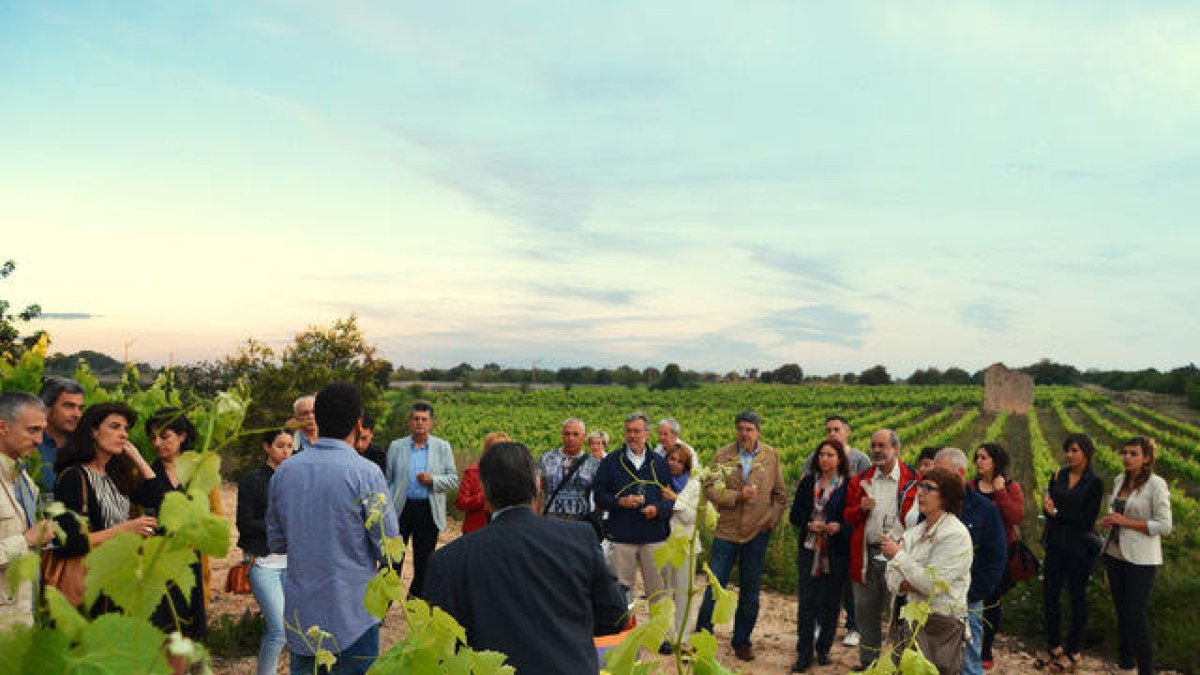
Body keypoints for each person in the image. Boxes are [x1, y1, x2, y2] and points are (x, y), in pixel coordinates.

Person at [424, 441, 627, 675]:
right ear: (537, 486)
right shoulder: (579, 538)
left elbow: (441, 648)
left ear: (485, 494)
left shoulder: (448, 560)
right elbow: (614, 616)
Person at [267, 382, 399, 675]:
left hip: (303, 618)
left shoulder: (285, 471)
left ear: (317, 420)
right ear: (358, 424)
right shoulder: (366, 473)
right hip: (354, 616)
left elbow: (276, 542)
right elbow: (389, 548)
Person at [694, 409, 787, 662]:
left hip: (757, 533)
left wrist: (771, 521)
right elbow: (710, 487)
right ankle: (702, 638)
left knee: (750, 591)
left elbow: (780, 495)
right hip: (726, 531)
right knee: (714, 587)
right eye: (741, 429)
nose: (744, 434)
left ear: (758, 432)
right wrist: (736, 496)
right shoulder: (723, 455)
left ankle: (742, 641)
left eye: (749, 429)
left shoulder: (770, 456)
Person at [51, 402, 159, 616]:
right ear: (93, 431)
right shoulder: (74, 477)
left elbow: (158, 498)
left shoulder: (116, 475)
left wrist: (137, 458)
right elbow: (68, 544)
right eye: (115, 426)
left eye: (126, 429)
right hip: (90, 585)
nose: (123, 434)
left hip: (119, 580)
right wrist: (126, 529)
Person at [881, 467, 973, 675]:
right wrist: (908, 581)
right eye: (920, 486)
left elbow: (932, 585)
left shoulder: (955, 535)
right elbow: (891, 575)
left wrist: (899, 556)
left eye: (929, 488)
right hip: (909, 620)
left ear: (946, 496)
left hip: (940, 627)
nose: (920, 492)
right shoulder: (914, 532)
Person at [843, 429, 918, 672]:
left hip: (897, 557)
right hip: (866, 555)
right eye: (873, 445)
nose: (876, 450)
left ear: (895, 448)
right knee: (865, 613)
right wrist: (861, 509)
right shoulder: (860, 480)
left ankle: (898, 665)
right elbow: (848, 516)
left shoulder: (912, 480)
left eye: (881, 446)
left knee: (899, 615)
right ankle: (869, 664)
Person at [137, 408, 212, 640]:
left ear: (182, 436)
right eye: (152, 437)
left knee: (186, 630)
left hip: (189, 557)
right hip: (158, 559)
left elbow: (211, 514)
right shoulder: (146, 473)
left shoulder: (197, 471)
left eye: (164, 436)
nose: (157, 443)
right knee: (161, 628)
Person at [1100, 436, 1172, 675]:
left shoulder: (1156, 484)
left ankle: (1146, 669)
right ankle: (1126, 664)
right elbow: (1117, 513)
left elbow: (1165, 526)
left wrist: (1125, 522)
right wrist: (1110, 520)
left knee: (1135, 614)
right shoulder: (1119, 480)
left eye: (1134, 454)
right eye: (1125, 452)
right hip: (1114, 553)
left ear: (1147, 458)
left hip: (1141, 559)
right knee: (1121, 612)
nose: (1127, 457)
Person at [933, 447, 1006, 675]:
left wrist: (973, 593)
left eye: (941, 473)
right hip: (933, 599)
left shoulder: (984, 510)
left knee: (968, 663)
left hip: (967, 602)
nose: (935, 479)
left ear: (961, 473)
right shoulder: (930, 507)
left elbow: (996, 557)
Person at [592, 412, 674, 610]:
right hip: (622, 538)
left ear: (647, 433)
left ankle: (659, 630)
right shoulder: (611, 462)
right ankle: (624, 630)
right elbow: (599, 496)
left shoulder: (659, 463)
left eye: (637, 431)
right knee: (620, 596)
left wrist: (657, 509)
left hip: (654, 538)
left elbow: (670, 500)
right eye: (628, 431)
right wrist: (619, 502)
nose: (632, 436)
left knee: (659, 595)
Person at [1036, 433, 1104, 673]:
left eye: (1075, 450)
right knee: (1050, 596)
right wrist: (1049, 509)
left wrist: (1056, 514)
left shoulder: (1094, 483)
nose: (1069, 455)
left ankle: (1073, 651)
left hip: (1079, 549)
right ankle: (1054, 646)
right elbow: (1050, 506)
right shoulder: (1059, 476)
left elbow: (1087, 520)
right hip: (1056, 545)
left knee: (1076, 598)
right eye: (1067, 450)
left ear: (1086, 453)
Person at [803, 414, 871, 649]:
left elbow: (864, 493)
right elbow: (806, 491)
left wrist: (844, 525)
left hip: (847, 534)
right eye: (829, 430)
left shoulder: (860, 460)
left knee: (848, 583)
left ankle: (853, 626)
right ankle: (820, 623)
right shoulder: (813, 458)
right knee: (820, 581)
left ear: (847, 432)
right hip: (817, 539)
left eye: (836, 429)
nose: (832, 433)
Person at [789, 439, 851, 672]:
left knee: (831, 602)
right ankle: (804, 652)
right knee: (807, 601)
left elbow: (853, 520)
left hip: (835, 552)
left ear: (840, 459)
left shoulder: (848, 485)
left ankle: (823, 647)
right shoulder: (808, 483)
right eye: (822, 454)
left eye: (830, 455)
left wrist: (839, 527)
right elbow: (795, 516)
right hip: (809, 550)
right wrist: (808, 524)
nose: (825, 459)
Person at [385, 401, 458, 599]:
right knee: (392, 559)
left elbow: (453, 479)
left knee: (424, 561)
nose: (419, 423)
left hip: (428, 510)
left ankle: (414, 602)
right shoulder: (396, 446)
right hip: (401, 509)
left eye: (424, 419)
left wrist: (432, 480)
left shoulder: (442, 447)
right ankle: (383, 604)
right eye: (416, 419)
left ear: (431, 422)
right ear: (410, 422)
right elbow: (388, 480)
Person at [236, 428, 293, 675]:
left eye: (290, 446)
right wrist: (280, 527)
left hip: (293, 563)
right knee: (278, 630)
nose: (286, 451)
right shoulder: (253, 479)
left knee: (293, 628)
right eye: (280, 445)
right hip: (263, 561)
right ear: (267, 447)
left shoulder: (296, 478)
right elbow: (244, 522)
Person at [0, 392, 54, 629]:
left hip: (22, 616)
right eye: (32, 430)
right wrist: (26, 540)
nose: (40, 440)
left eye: (42, 431)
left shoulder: (24, 479)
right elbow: (25, 541)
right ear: (3, 428)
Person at [971, 443, 1026, 670]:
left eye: (984, 457)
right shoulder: (970, 486)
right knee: (972, 600)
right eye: (977, 457)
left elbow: (1016, 517)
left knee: (992, 603)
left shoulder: (1011, 487)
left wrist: (1000, 491)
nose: (979, 461)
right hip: (973, 553)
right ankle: (970, 645)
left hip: (998, 555)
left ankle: (986, 650)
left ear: (996, 461)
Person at [660, 442, 702, 654]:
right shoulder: (660, 481)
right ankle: (667, 636)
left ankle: (682, 636)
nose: (674, 463)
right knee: (664, 590)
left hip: (685, 545)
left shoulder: (694, 485)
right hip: (663, 543)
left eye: (679, 461)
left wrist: (674, 500)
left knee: (684, 591)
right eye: (671, 459)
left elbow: (691, 517)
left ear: (686, 465)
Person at [538, 418, 601, 522]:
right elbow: (537, 492)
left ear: (584, 437)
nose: (571, 438)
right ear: (561, 435)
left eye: (576, 434)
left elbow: (600, 496)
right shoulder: (546, 458)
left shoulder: (593, 463)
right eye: (567, 434)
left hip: (580, 524)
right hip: (549, 522)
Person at [35, 376, 84, 491]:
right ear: (46, 408)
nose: (77, 414)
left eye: (80, 408)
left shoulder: (84, 447)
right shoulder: (31, 446)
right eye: (69, 406)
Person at [455, 431, 509, 535]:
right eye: (494, 447)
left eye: (503, 447)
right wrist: (484, 498)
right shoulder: (473, 472)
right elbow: (460, 503)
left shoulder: (512, 473)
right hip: (476, 532)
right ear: (487, 449)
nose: (499, 451)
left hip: (503, 531)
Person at [899, 447, 941, 530]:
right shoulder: (909, 488)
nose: (921, 469)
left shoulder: (944, 494)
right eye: (920, 465)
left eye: (926, 465)